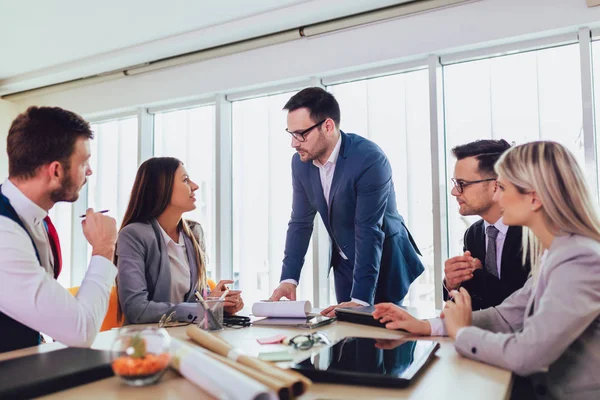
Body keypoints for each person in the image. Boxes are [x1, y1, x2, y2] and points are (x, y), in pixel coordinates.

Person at [373, 141, 600, 399]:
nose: (499, 197)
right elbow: (506, 316)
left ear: (534, 198)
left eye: (503, 187)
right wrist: (427, 326)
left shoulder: (579, 258)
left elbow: (527, 354)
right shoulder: (557, 252)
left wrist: (461, 333)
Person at [269, 87, 424, 316]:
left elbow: (369, 229)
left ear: (328, 126)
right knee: (347, 337)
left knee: (387, 338)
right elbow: (300, 222)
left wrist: (361, 299)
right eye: (291, 134)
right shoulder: (300, 163)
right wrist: (289, 279)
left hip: (386, 259)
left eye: (300, 134)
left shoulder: (369, 159)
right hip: (345, 262)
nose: (294, 143)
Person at [0, 106, 117, 353]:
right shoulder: (4, 235)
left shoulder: (36, 219)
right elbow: (80, 332)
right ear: (55, 171)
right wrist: (104, 248)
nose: (90, 171)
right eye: (84, 162)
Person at [116, 157, 243, 324]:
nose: (195, 186)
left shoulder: (194, 233)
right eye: (185, 180)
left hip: (187, 337)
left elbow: (195, 301)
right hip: (147, 341)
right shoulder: (133, 235)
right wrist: (204, 307)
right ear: (162, 188)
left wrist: (219, 305)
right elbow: (136, 309)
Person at [444, 139, 530, 310]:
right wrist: (452, 284)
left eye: (462, 184)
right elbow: (474, 307)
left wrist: (477, 276)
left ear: (496, 185)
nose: (454, 192)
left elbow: (520, 307)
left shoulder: (531, 233)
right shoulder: (474, 234)